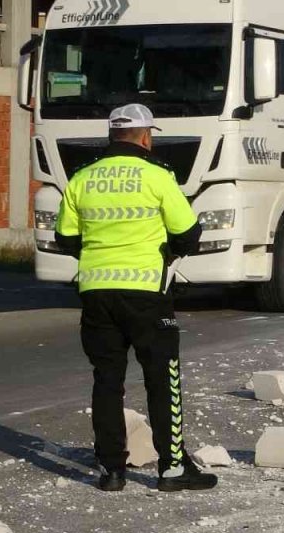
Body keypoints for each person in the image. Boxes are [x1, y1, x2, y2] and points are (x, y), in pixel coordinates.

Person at [54, 103, 217, 493]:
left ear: (112, 134)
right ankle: (173, 469)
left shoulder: (82, 178)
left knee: (106, 380)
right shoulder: (157, 175)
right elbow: (189, 233)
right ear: (146, 137)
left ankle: (112, 471)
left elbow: (66, 238)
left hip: (96, 292)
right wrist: (167, 253)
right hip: (147, 294)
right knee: (163, 378)